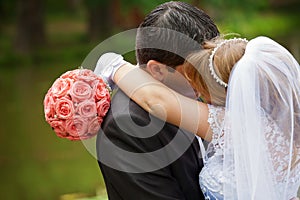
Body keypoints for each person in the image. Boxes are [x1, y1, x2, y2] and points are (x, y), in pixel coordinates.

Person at [97, 36, 300, 199]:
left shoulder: (233, 124)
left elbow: (156, 100)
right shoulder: (289, 128)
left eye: (202, 88)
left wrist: (114, 65)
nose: (199, 95)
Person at [95, 1, 219, 200]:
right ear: (158, 70)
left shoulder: (203, 94)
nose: (210, 76)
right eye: (198, 69)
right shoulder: (128, 125)